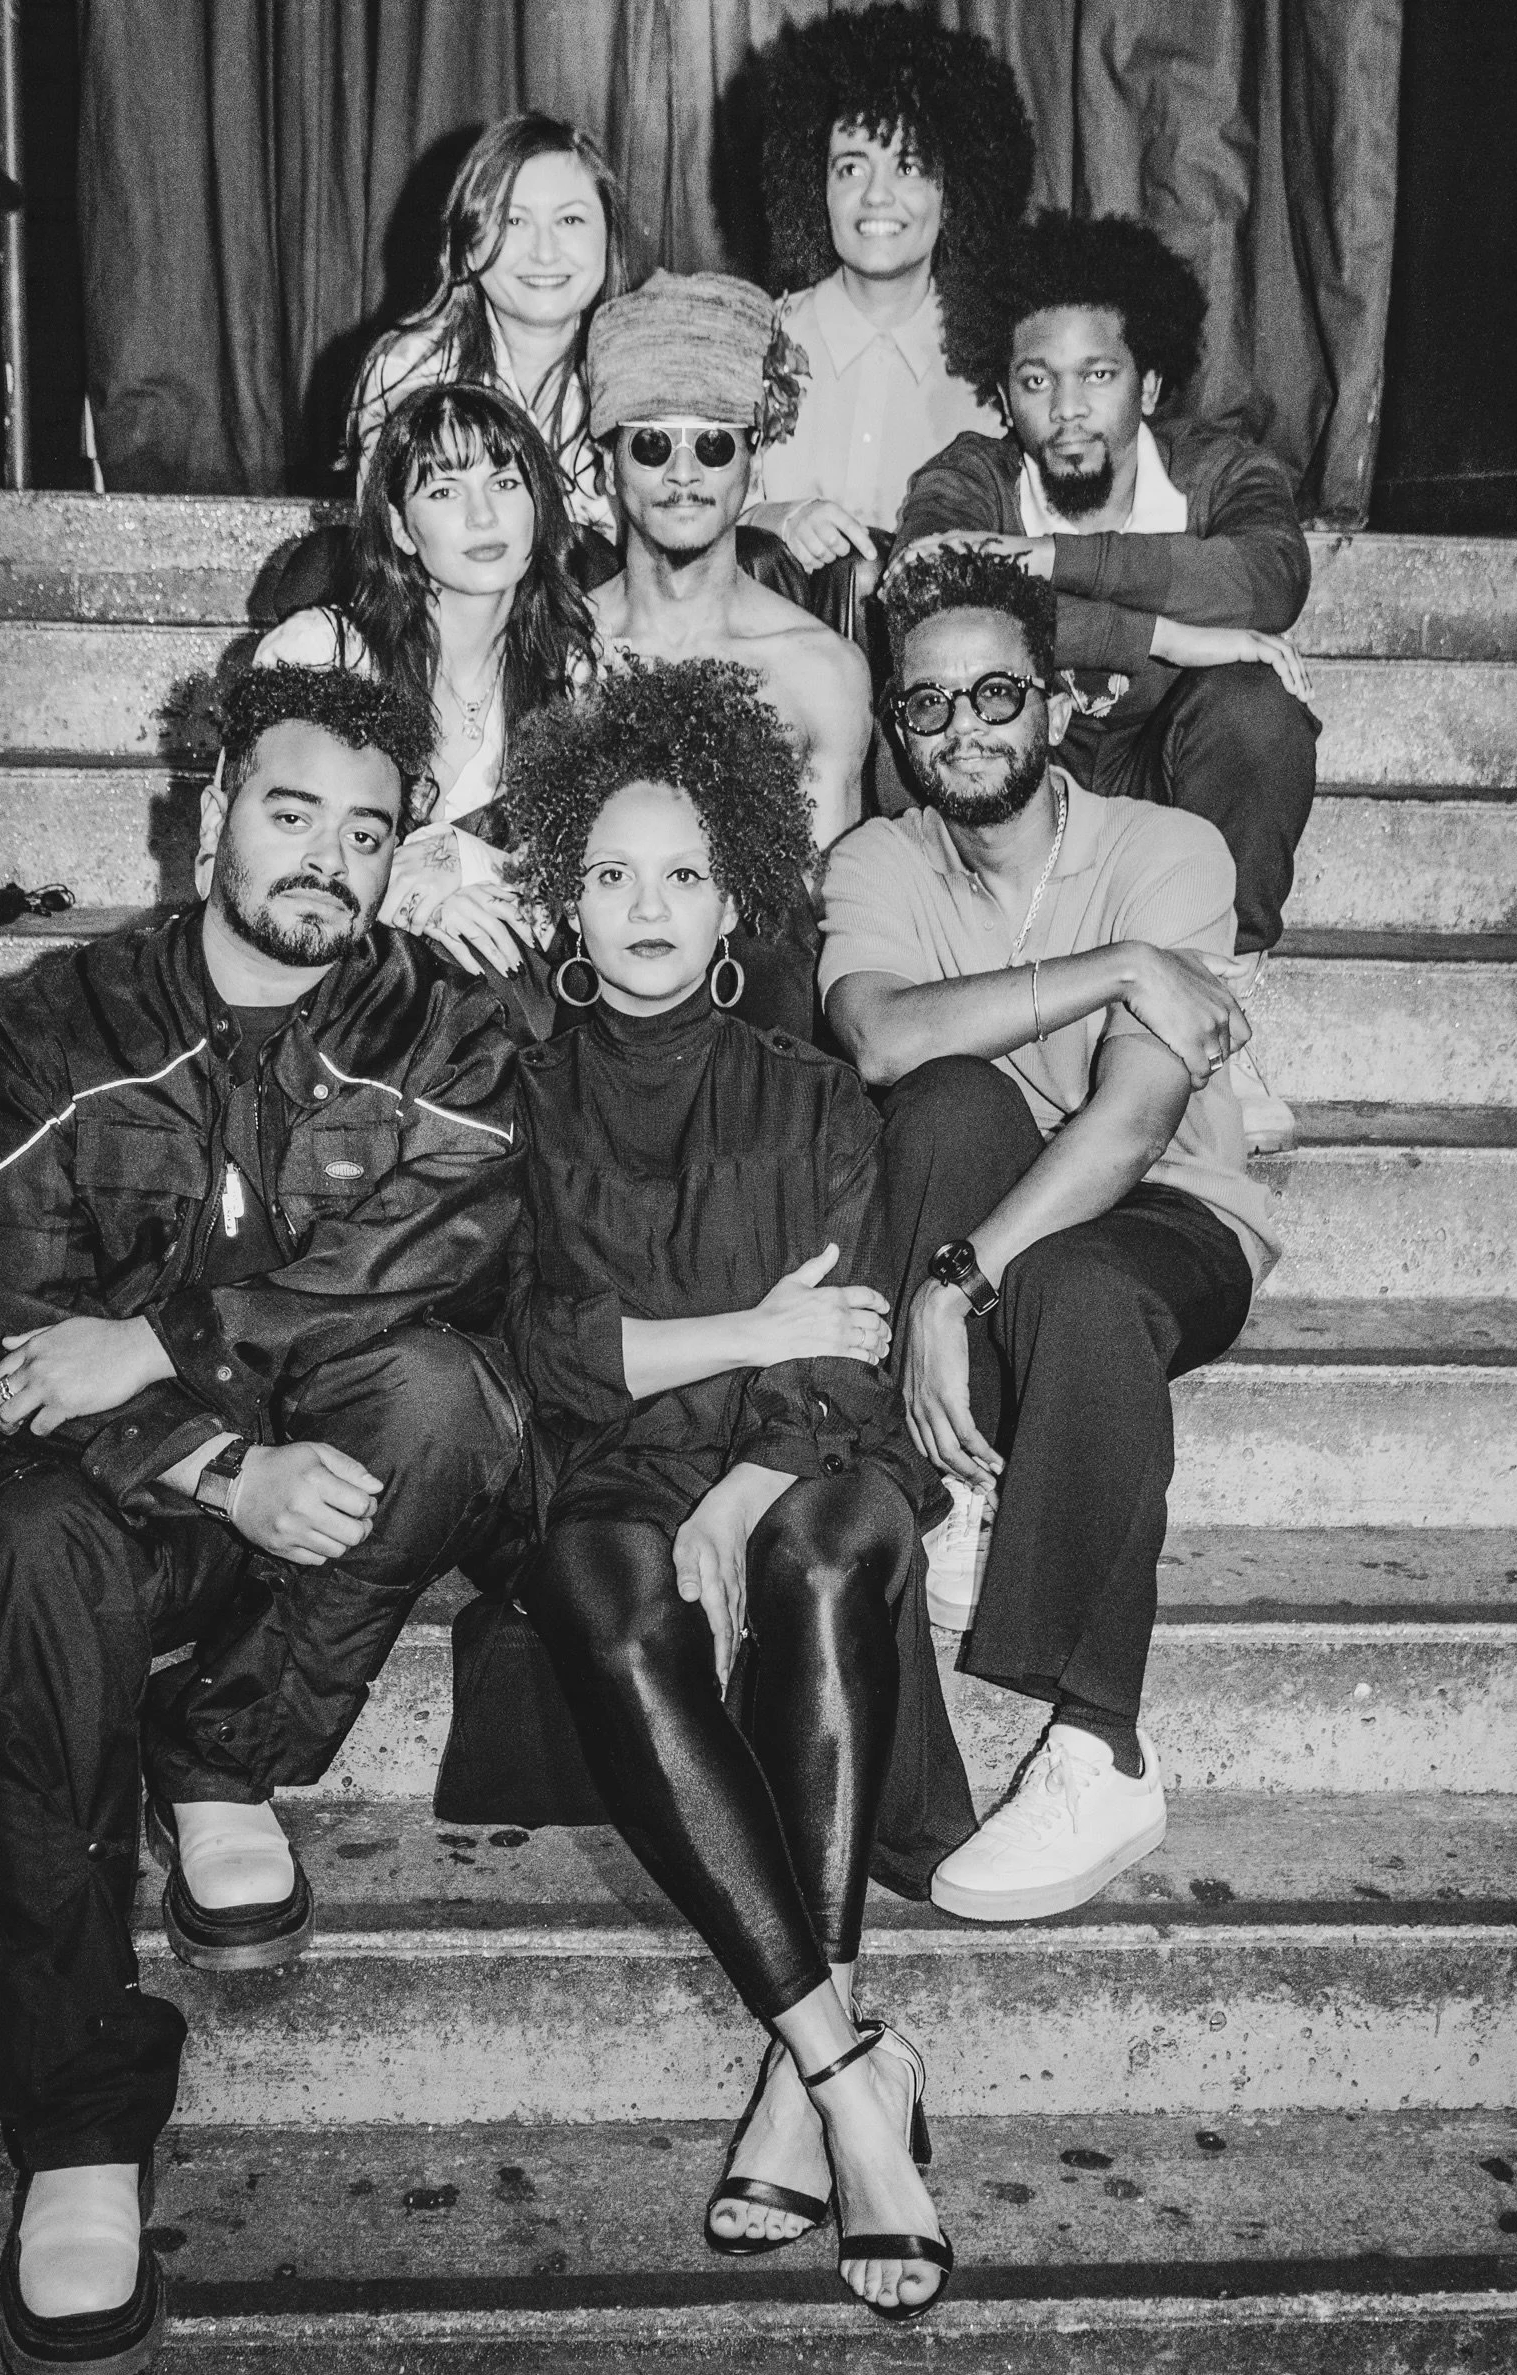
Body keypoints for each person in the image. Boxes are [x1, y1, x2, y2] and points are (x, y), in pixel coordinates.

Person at [0, 665, 527, 2375]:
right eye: (289, 814)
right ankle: (78, 2123)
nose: (326, 859)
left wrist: (176, 1335)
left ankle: (222, 1750)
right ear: (203, 818)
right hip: (124, 1500)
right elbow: (0, 1360)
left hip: (309, 1465)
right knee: (23, 1545)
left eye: (367, 831)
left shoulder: (445, 1033)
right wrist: (209, 1456)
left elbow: (436, 1257)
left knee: (441, 1404)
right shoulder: (44, 1030)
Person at [496, 656, 962, 2322]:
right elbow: (543, 1349)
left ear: (733, 899)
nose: (644, 906)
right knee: (602, 1604)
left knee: (828, 1560)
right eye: (609, 871)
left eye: (681, 873)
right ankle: (849, 2078)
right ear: (565, 890)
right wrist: (751, 1325)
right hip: (606, 1471)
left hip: (803, 1456)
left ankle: (792, 2073)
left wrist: (737, 1484)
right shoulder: (519, 1091)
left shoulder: (817, 1093)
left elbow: (840, 1369)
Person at [821, 547, 1280, 1923]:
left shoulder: (1167, 847)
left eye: (996, 694)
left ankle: (1101, 1741)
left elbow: (1141, 1114)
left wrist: (955, 1284)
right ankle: (959, 1482)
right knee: (950, 1098)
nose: (963, 729)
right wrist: (1124, 967)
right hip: (988, 1189)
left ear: (1059, 704)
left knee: (1077, 1278)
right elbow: (889, 1035)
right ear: (896, 729)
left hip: (1171, 1219)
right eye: (928, 706)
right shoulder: (878, 856)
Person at [886, 211, 1318, 1150]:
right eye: (1038, 381)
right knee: (904, 737)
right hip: (1025, 779)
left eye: (1100, 375)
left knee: (1259, 715)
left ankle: (1219, 1026)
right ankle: (938, 1007)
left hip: (1155, 774)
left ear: (1150, 383)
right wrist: (1164, 634)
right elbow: (922, 594)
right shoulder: (968, 478)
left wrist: (1047, 557)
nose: (1069, 408)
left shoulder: (1221, 472)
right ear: (1004, 395)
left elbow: (1268, 577)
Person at [240, 381, 596, 983]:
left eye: (505, 484)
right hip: (332, 975)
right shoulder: (326, 656)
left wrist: (464, 861)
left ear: (540, 507)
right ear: (402, 528)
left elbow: (573, 885)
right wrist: (414, 906)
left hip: (501, 982)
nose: (482, 515)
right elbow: (258, 867)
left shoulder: (571, 671)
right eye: (444, 490)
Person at [585, 269, 873, 856]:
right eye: (652, 444)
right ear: (607, 466)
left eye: (714, 445)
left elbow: (819, 913)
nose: (683, 474)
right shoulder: (557, 652)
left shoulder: (823, 673)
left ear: (754, 462)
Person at [743, 1, 1032, 572]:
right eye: (850, 167)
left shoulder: (1005, 362)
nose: (876, 196)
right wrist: (775, 520)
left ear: (953, 193)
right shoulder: (753, 338)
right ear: (814, 187)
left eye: (908, 167)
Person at [348, 112, 626, 547]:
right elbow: (390, 554)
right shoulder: (409, 370)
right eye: (514, 221)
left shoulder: (642, 371)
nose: (545, 252)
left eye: (570, 220)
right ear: (468, 245)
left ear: (608, 238)